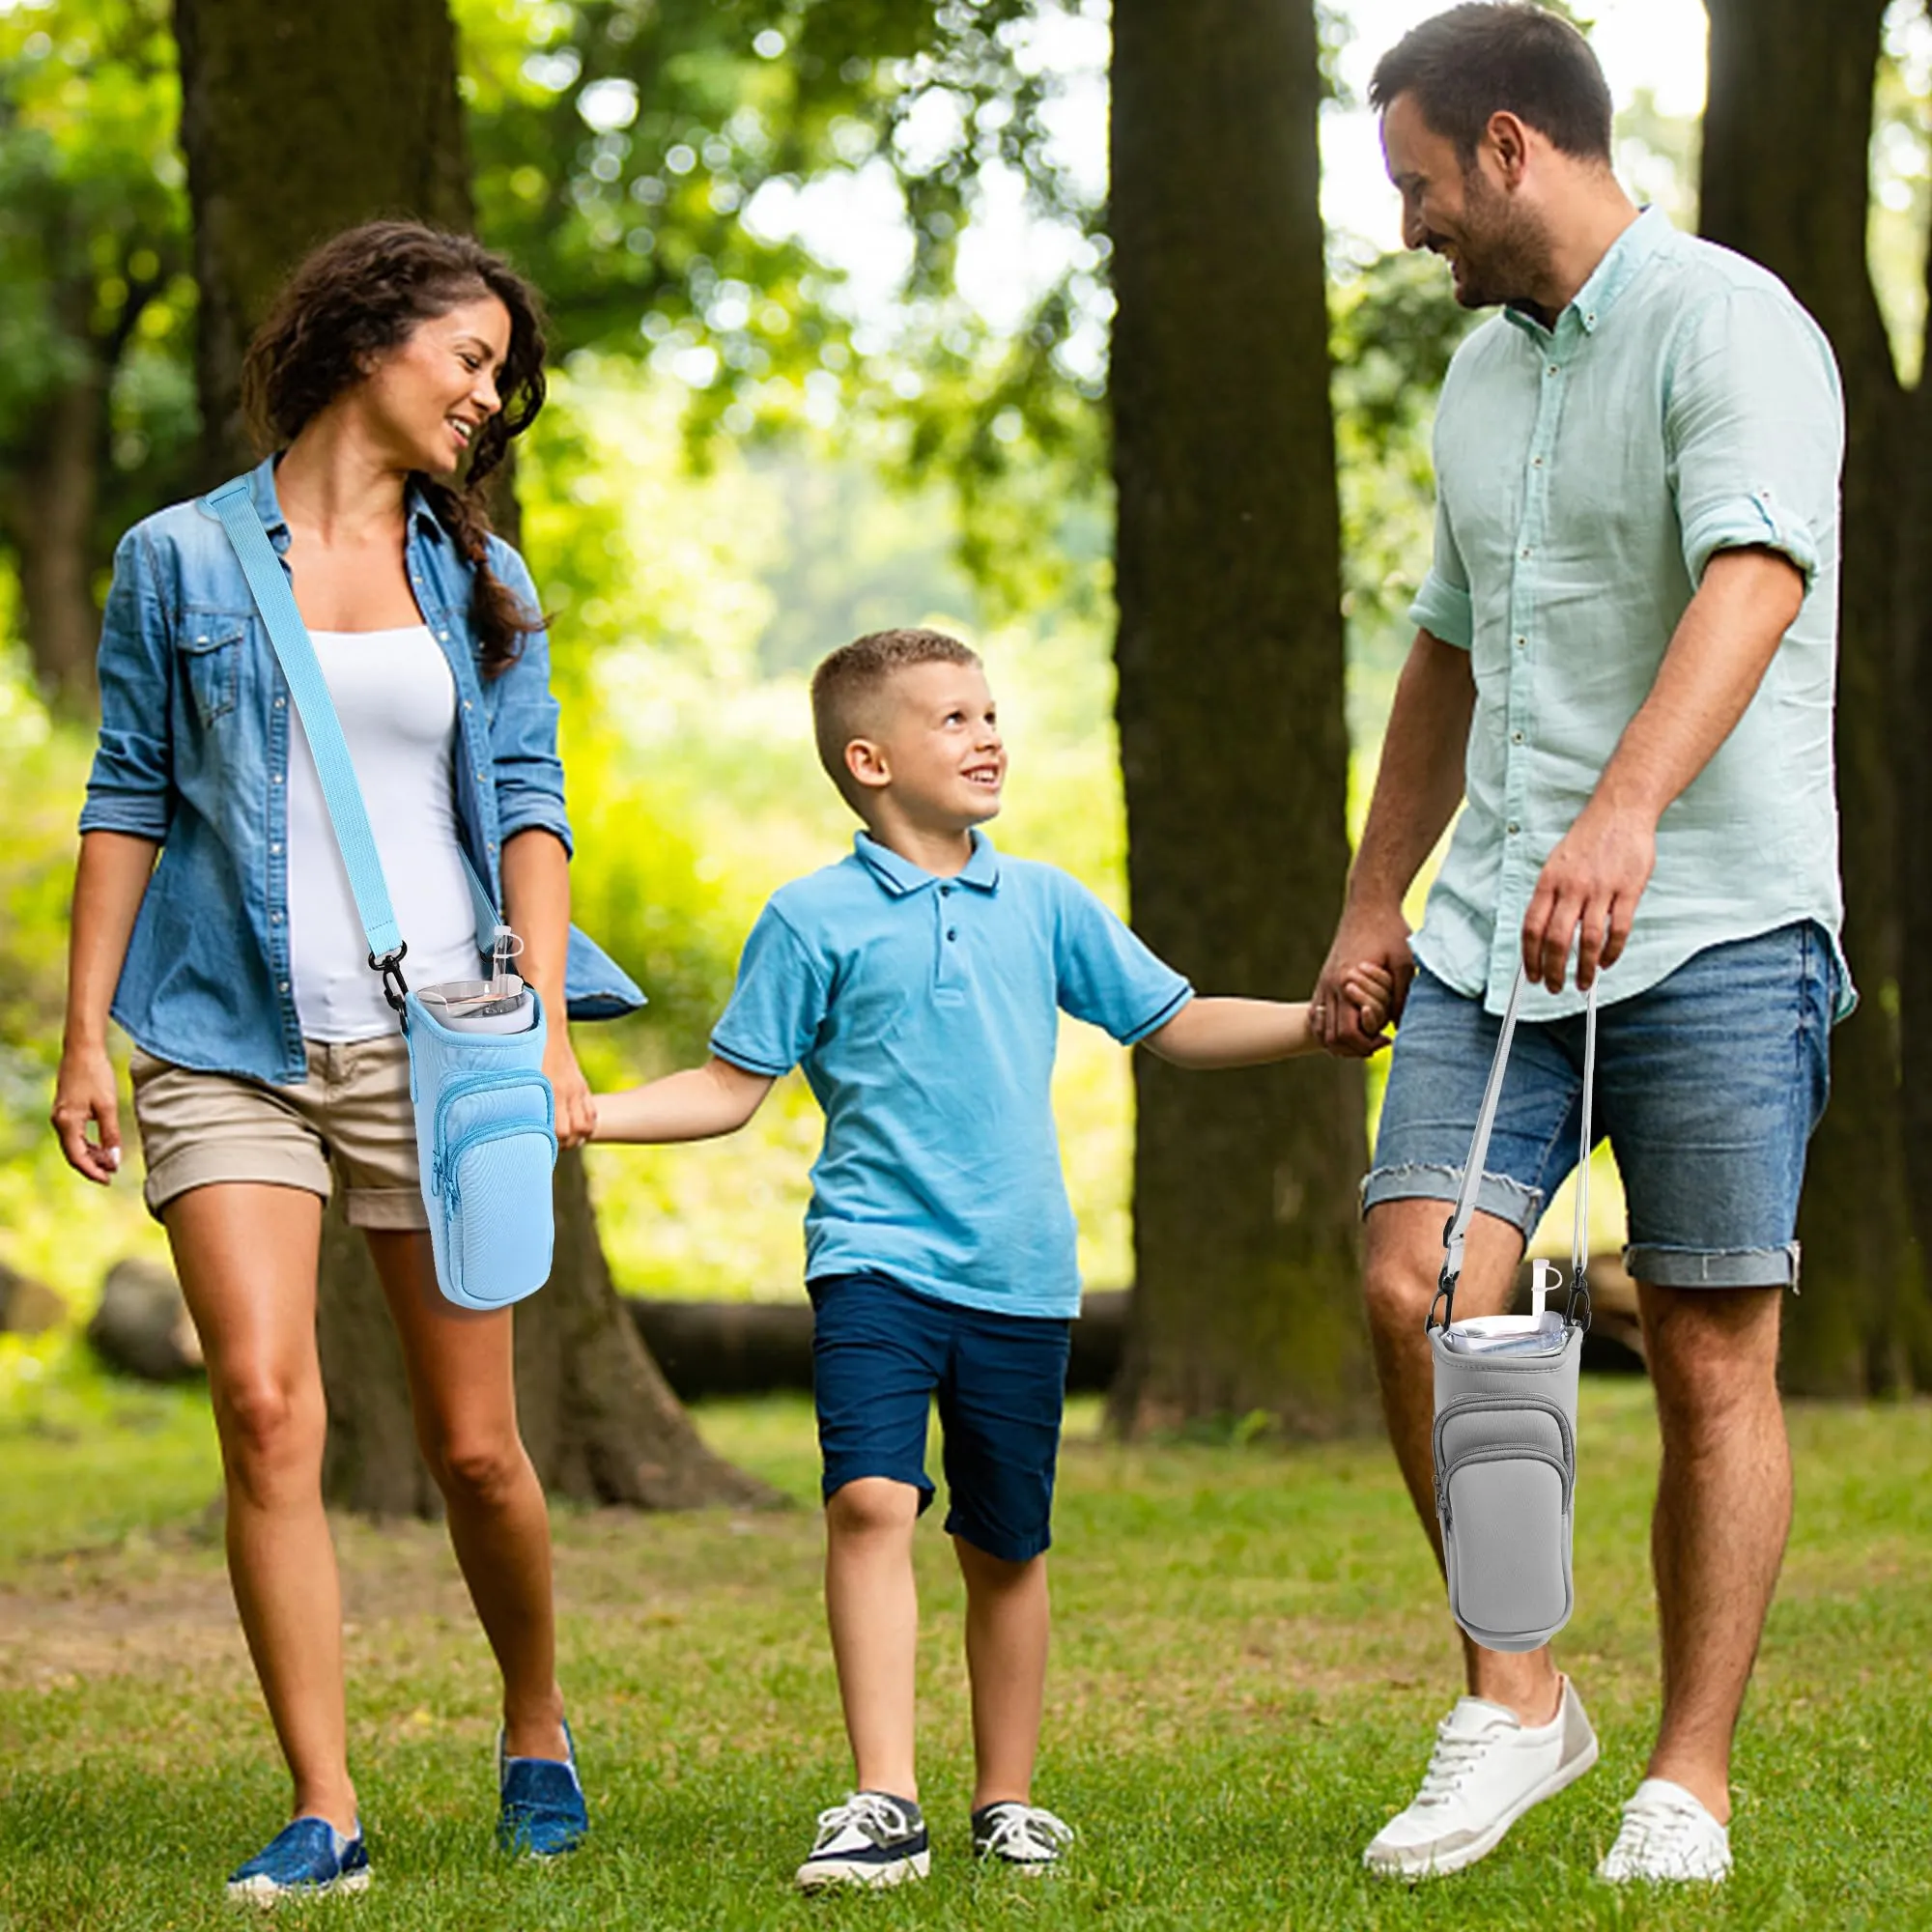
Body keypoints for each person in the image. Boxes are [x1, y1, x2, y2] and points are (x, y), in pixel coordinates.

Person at [1309, 2, 1846, 1889]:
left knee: (1705, 1345)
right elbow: (1444, 651)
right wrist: (1380, 898)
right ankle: (1520, 1696)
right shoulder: (1478, 384)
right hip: (1490, 935)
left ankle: (1683, 1781)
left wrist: (1625, 810)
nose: (1408, 229)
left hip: (1713, 918)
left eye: (1419, 186)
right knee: (1416, 1284)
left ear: (1511, 146)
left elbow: (1756, 576)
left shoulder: (1730, 326)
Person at [592, 628, 1392, 1891]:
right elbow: (724, 1087)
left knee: (1006, 1546)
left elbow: (1174, 1022)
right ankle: (882, 1802)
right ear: (869, 761)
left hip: (1020, 1277)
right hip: (872, 1262)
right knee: (870, 1498)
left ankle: (1006, 1802)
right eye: (952, 719)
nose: (987, 736)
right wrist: (586, 1114)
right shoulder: (811, 919)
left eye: (990, 712)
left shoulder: (1046, 903)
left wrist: (1313, 1026)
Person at [51, 222, 607, 1901]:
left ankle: (536, 1724)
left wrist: (551, 1037)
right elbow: (129, 793)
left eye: (501, 377)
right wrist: (85, 1031)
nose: (487, 397)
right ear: (374, 335)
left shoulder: (482, 579)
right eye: (470, 358)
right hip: (228, 1040)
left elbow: (530, 808)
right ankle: (326, 1801)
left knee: (476, 1447)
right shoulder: (180, 560)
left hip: (444, 1047)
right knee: (264, 1404)